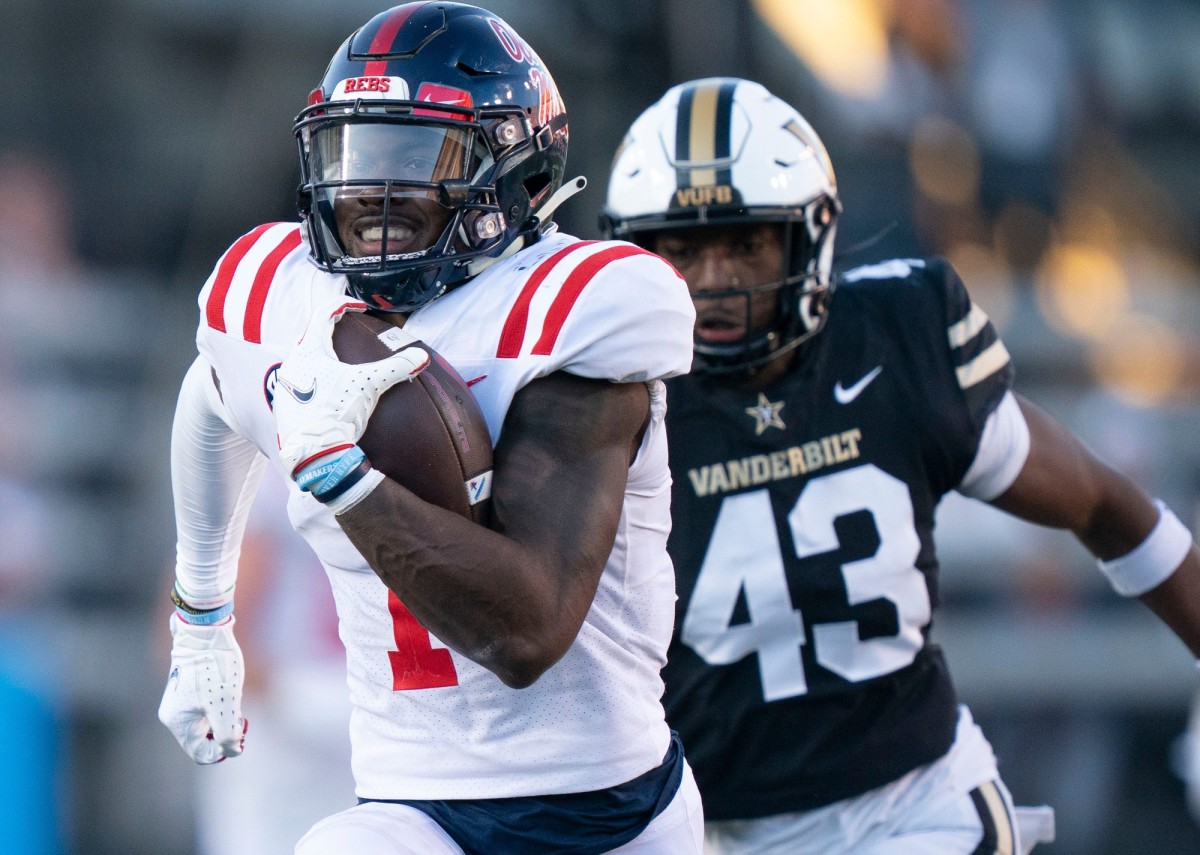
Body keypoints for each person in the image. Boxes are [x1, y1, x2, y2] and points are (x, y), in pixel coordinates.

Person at [599, 76, 1200, 855]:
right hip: (715, 828)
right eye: (682, 249)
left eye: (743, 243)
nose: (712, 280)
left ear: (806, 237)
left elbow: (1107, 506)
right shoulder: (603, 405)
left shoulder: (895, 341)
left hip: (917, 806)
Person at [156, 5, 703, 854]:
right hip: (406, 803)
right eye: (353, 155)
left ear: (516, 170)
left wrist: (338, 470)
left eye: (416, 157)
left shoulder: (579, 308)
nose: (371, 192)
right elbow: (209, 399)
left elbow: (526, 633)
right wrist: (200, 620)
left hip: (604, 813)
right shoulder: (283, 293)